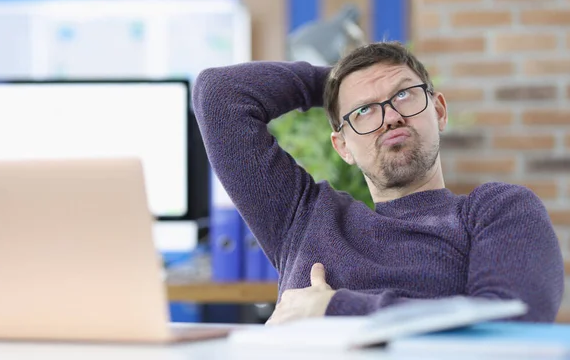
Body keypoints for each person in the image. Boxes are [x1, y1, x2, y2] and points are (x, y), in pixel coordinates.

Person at [193, 41, 564, 325]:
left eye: (403, 94)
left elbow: (513, 326)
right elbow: (219, 93)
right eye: (364, 111)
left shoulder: (497, 210)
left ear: (439, 112)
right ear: (343, 147)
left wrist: (335, 309)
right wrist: (338, 84)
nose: (390, 118)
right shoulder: (303, 217)